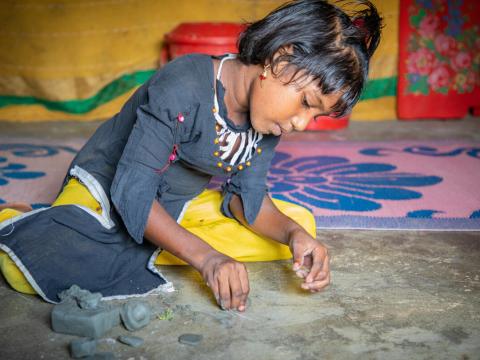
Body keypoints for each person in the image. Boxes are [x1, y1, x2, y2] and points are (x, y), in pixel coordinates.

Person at [0, 0, 382, 311]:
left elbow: (244, 200)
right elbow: (132, 192)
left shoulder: (269, 118)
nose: (302, 123)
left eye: (315, 116)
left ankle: (159, 245)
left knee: (302, 226)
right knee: (34, 262)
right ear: (279, 60)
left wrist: (294, 235)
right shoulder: (181, 84)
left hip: (173, 203)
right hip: (108, 188)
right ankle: (21, 220)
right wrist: (207, 258)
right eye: (305, 104)